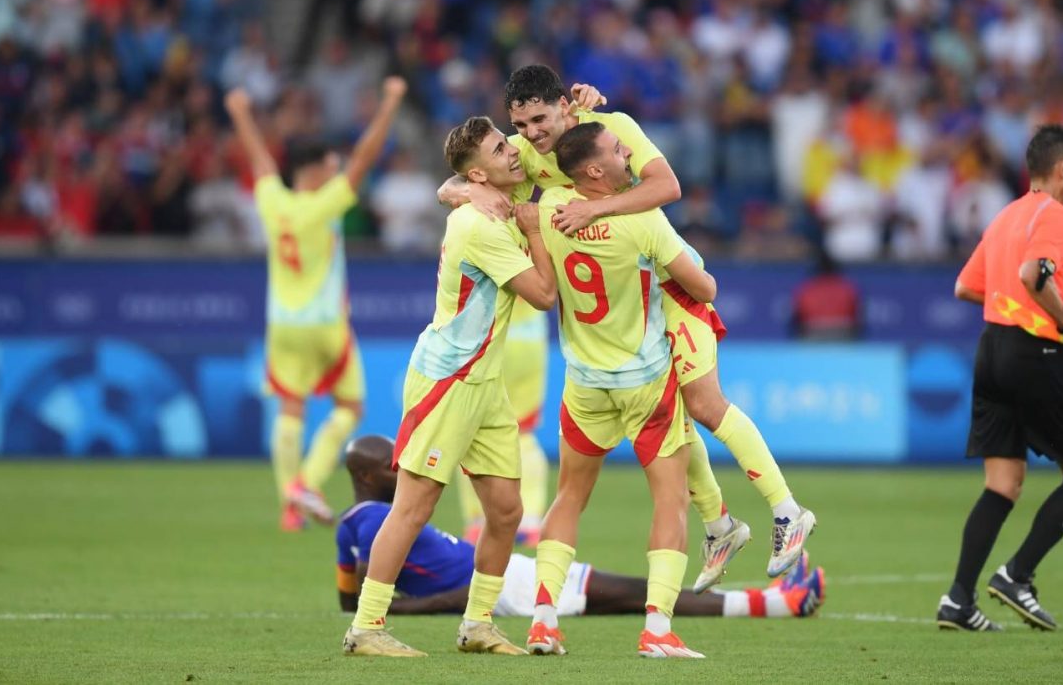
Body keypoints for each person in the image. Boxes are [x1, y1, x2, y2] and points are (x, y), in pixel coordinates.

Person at [438, 65, 815, 594]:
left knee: (704, 404)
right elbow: (461, 176)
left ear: (566, 104)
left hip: (664, 283)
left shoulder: (610, 126)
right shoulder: (527, 155)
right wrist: (464, 194)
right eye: (520, 126)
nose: (531, 135)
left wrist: (596, 208)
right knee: (669, 417)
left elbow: (668, 185)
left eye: (540, 119)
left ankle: (786, 510)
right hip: (621, 304)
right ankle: (720, 525)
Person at [342, 116, 558, 658]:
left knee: (507, 510)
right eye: (498, 150)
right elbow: (543, 295)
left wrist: (455, 188)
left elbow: (460, 183)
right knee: (414, 506)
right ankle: (366, 626)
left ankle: (477, 623)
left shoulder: (488, 194)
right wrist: (533, 229)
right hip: (448, 379)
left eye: (507, 143)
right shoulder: (479, 227)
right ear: (480, 175)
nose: (513, 153)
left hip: (485, 381)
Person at [525, 121, 722, 659]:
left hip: (584, 382)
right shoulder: (644, 221)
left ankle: (543, 621)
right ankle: (657, 629)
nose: (626, 151)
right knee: (670, 500)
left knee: (569, 497)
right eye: (616, 149)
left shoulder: (549, 210)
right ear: (594, 169)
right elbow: (705, 287)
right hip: (646, 383)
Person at [338, 435, 825, 620]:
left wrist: (388, 606)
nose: (401, 467)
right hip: (508, 588)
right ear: (364, 476)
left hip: (510, 574)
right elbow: (361, 597)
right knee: (641, 594)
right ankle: (780, 604)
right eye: (390, 465)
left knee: (637, 593)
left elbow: (348, 596)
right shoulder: (381, 520)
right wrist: (401, 613)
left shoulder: (352, 525)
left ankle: (776, 602)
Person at [937, 124, 1063, 632]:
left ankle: (959, 600)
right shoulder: (1056, 216)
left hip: (992, 350)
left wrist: (1011, 305)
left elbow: (967, 287)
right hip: (1036, 352)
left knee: (1003, 484)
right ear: (1061, 170)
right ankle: (1017, 575)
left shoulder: (1006, 216)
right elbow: (1035, 276)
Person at [224, 79, 406, 532]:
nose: (336, 166)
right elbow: (365, 157)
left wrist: (240, 112)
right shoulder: (325, 204)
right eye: (330, 161)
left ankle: (290, 501)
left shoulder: (274, 202)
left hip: (283, 323)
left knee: (290, 408)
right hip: (326, 323)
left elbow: (261, 160)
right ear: (316, 168)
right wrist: (390, 103)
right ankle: (307, 479)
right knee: (350, 406)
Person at [456, 294, 551, 547]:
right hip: (529, 339)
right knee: (523, 434)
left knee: (472, 433)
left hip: (488, 335)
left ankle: (478, 522)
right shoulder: (540, 251)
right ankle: (530, 521)